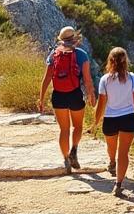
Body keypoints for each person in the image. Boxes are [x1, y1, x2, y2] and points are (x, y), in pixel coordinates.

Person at [38, 26, 95, 173]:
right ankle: (74, 150)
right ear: (74, 39)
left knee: (64, 129)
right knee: (78, 126)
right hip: (75, 94)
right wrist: (91, 95)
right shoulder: (81, 54)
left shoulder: (53, 54)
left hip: (58, 95)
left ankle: (65, 160)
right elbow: (88, 80)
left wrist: (41, 99)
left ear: (61, 40)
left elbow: (46, 78)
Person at [92, 47, 134, 199]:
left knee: (111, 146)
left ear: (110, 61)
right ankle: (119, 184)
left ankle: (111, 162)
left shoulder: (105, 80)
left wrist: (95, 123)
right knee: (123, 153)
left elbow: (101, 104)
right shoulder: (133, 78)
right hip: (128, 118)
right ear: (125, 61)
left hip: (110, 119)